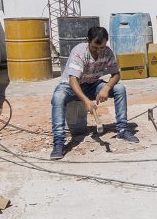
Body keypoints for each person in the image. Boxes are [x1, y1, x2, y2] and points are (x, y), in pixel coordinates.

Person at [50, 26, 139, 159]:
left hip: (92, 84)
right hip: (70, 86)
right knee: (58, 97)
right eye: (94, 47)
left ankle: (122, 129)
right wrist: (86, 101)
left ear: (106, 42)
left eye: (101, 47)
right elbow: (73, 80)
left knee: (119, 89)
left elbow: (116, 74)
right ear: (88, 41)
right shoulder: (79, 52)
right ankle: (58, 142)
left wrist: (106, 87)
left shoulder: (107, 52)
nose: (98, 50)